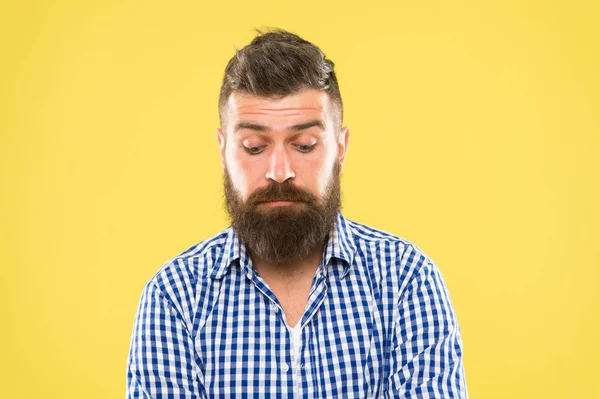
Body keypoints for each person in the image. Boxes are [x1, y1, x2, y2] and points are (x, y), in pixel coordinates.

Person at [126, 28, 468, 399]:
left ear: (341, 147)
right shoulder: (174, 297)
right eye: (254, 147)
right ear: (223, 150)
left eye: (304, 145)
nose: (279, 171)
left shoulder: (407, 281)